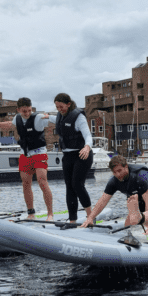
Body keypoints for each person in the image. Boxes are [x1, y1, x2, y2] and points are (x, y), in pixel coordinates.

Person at [45, 93, 93, 223]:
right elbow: (53, 119)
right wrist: (45, 116)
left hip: (82, 154)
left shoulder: (79, 117)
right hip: (68, 156)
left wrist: (87, 147)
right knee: (69, 187)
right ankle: (72, 220)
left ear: (68, 104)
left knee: (77, 184)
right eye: (57, 107)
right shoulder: (60, 116)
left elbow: (88, 136)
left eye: (61, 106)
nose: (60, 109)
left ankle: (90, 217)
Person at [82, 155, 148, 226]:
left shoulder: (140, 176)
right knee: (128, 224)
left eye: (119, 170)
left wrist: (147, 227)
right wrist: (90, 218)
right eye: (114, 172)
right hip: (140, 199)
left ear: (126, 166)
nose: (118, 174)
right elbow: (103, 201)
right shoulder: (113, 181)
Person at [12, 97, 53, 220]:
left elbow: (54, 120)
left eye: (29, 110)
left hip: (39, 153)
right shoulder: (16, 118)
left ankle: (50, 213)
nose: (27, 113)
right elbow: (14, 130)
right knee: (26, 183)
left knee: (42, 181)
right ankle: (31, 213)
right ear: (18, 110)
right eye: (24, 111)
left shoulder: (38, 118)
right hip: (25, 154)